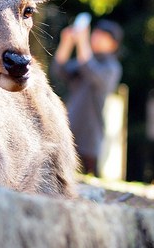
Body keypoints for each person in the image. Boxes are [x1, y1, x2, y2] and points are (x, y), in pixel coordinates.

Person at [51, 17, 123, 176]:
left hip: (91, 131)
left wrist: (82, 42)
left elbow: (90, 69)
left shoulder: (112, 67)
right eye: (95, 34)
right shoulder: (84, 60)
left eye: (102, 36)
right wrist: (67, 42)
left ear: (113, 44)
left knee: (89, 172)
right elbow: (59, 70)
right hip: (71, 124)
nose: (95, 38)